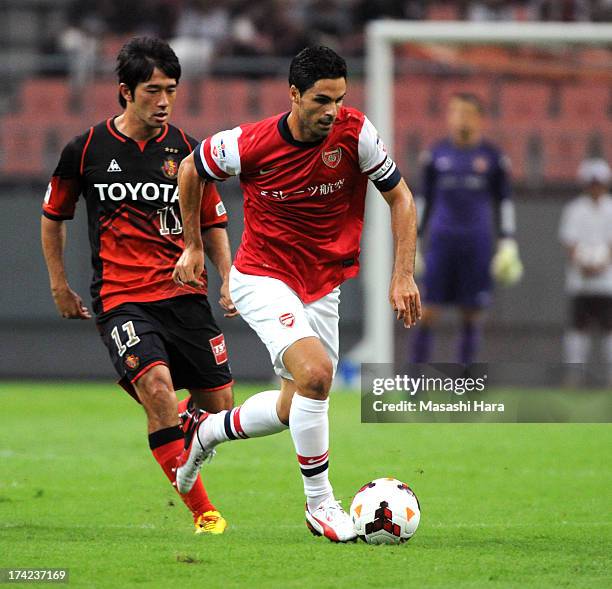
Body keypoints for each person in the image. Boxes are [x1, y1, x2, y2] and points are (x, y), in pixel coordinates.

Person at [172, 46, 421, 543]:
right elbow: (190, 169)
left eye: (339, 98)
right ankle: (320, 505)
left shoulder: (356, 133)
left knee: (295, 405)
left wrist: (403, 275)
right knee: (317, 374)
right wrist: (193, 246)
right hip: (262, 275)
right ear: (293, 95)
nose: (332, 110)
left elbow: (400, 197)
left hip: (322, 281)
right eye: (321, 99)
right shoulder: (252, 142)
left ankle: (206, 432)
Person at [41, 37, 235, 534]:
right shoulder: (84, 149)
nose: (165, 101)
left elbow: (212, 221)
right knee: (157, 386)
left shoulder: (189, 151)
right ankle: (204, 513)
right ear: (125, 92)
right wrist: (60, 285)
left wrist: (228, 279)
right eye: (153, 90)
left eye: (171, 89)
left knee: (220, 407)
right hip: (122, 299)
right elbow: (53, 216)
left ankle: (179, 419)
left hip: (184, 295)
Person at [411, 92, 523, 365]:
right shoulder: (435, 155)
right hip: (441, 243)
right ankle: (413, 383)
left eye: (467, 113)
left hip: (477, 244)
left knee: (472, 313)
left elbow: (504, 201)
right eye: (455, 112)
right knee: (427, 311)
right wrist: (413, 240)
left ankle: (464, 383)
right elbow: (422, 200)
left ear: (479, 119)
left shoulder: (493, 158)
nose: (461, 118)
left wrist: (508, 240)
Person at [559, 158, 612, 385]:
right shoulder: (574, 210)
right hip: (580, 281)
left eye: (599, 182)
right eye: (591, 182)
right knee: (577, 330)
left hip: (608, 281)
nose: (595, 187)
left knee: (610, 330)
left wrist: (602, 264)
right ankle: (574, 375)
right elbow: (569, 242)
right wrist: (584, 264)